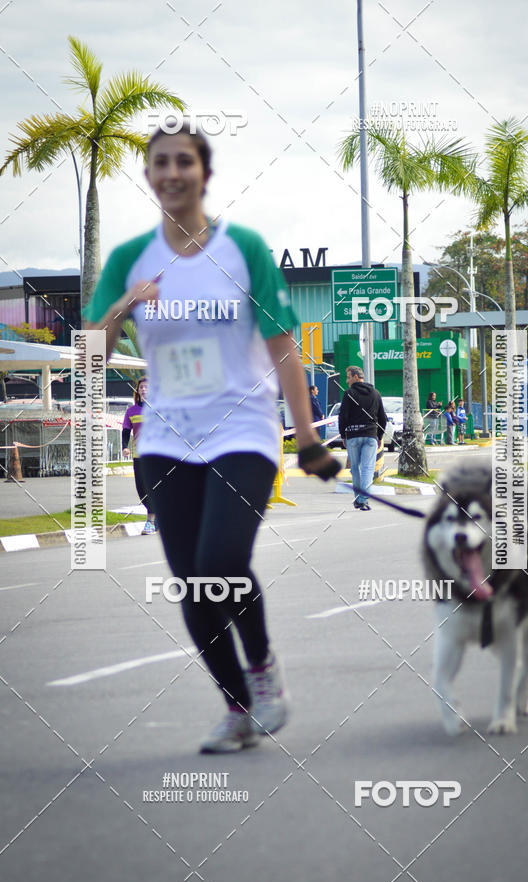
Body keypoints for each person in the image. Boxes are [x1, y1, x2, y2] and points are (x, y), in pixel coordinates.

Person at [84, 121, 340, 754]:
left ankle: (263, 670)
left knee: (220, 562)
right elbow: (90, 353)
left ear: (204, 171)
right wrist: (124, 306)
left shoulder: (243, 249)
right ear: (148, 176)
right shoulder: (130, 259)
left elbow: (285, 351)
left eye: (184, 162)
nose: (171, 173)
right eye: (159, 163)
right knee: (190, 580)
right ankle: (237, 709)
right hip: (167, 441)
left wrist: (307, 439)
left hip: (244, 430)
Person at [338, 366, 387, 511]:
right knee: (367, 469)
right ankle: (363, 500)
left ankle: (358, 499)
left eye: (348, 377)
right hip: (370, 436)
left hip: (353, 436)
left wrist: (343, 435)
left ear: (355, 377)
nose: (347, 381)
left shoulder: (349, 393)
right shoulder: (375, 393)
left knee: (355, 469)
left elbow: (343, 416)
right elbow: (383, 418)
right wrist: (379, 435)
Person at [122, 377, 157, 534]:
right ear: (138, 390)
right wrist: (124, 447)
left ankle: (150, 521)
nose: (144, 389)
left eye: (147, 387)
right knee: (141, 490)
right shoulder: (131, 411)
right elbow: (125, 431)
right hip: (138, 455)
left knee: (154, 488)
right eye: (141, 387)